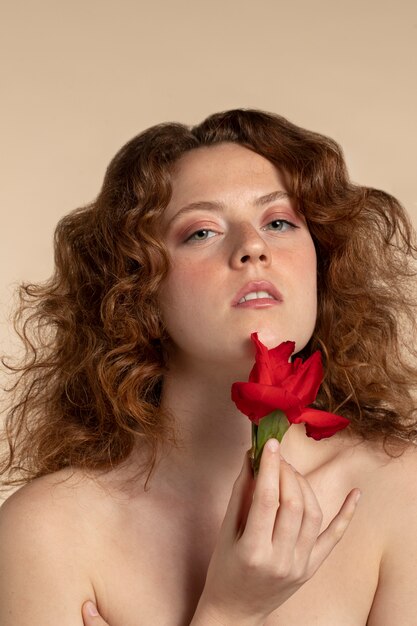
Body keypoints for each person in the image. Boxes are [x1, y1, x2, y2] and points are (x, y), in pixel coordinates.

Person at [1, 109, 417, 626]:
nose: (253, 248)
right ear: (136, 288)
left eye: (280, 221)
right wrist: (229, 611)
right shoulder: (48, 532)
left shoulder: (403, 493)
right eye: (201, 232)